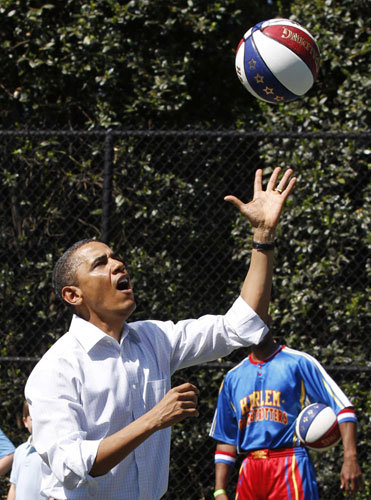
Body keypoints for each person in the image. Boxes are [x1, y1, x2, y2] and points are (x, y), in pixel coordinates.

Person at [25, 167, 296, 500]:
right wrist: (154, 419)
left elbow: (241, 325)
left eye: (116, 257)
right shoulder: (57, 368)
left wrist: (264, 236)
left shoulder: (154, 338)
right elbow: (72, 466)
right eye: (100, 263)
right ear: (73, 295)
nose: (118, 264)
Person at [209, 328, 364, 499]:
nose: (254, 325)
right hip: (249, 468)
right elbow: (226, 437)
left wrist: (350, 457)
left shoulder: (298, 362)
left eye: (259, 317)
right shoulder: (233, 377)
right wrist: (219, 490)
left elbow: (343, 407)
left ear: (268, 320)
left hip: (289, 463)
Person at [7, 401, 54, 500]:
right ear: (25, 422)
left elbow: (55, 491)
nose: (37, 422)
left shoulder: (52, 451)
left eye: (40, 418)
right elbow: (14, 487)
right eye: (32, 418)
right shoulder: (20, 451)